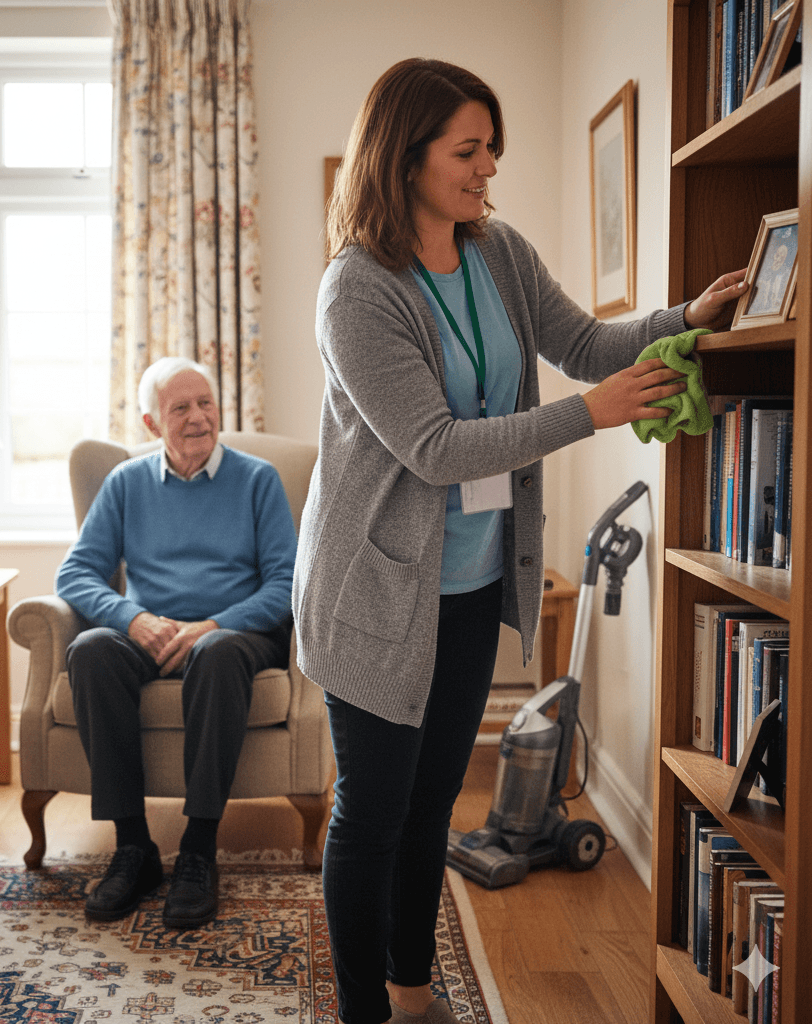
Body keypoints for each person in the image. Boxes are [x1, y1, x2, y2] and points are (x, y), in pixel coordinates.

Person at [291, 58, 746, 1024]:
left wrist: (683, 318)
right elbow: (434, 446)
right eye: (469, 150)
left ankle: (414, 991)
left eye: (492, 147)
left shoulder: (497, 253)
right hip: (374, 590)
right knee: (371, 814)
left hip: (472, 578)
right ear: (404, 156)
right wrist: (592, 417)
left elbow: (583, 344)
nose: (488, 167)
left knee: (433, 804)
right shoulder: (356, 291)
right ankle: (363, 1011)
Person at [57, 356, 297, 928]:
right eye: (180, 407)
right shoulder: (126, 483)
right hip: (152, 632)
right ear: (150, 423)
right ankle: (134, 847)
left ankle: (197, 848)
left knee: (215, 656)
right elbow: (76, 573)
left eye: (206, 402)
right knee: (90, 650)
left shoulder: (257, 479)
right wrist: (132, 618)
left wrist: (214, 625)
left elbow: (289, 583)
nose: (198, 418)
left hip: (234, 635)